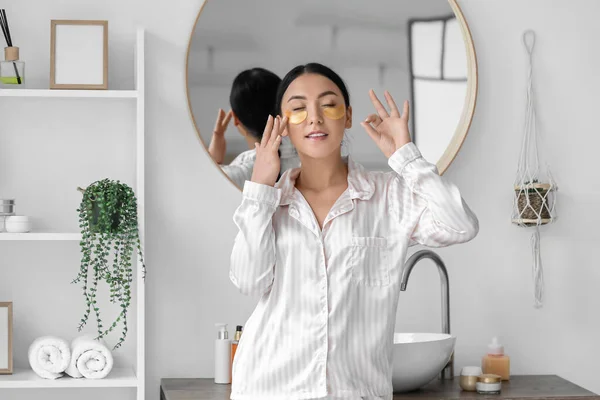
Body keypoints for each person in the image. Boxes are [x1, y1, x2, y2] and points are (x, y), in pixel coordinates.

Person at [228, 63, 479, 400]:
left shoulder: (388, 196)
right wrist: (259, 186)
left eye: (328, 104)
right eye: (299, 109)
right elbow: (248, 281)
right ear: (283, 125)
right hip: (270, 387)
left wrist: (405, 156)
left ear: (347, 116)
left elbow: (460, 226)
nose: (314, 118)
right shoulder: (270, 203)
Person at [207, 67, 300, 188]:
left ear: (235, 119)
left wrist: (213, 159)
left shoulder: (234, 175)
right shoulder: (308, 159)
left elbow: (203, 190)